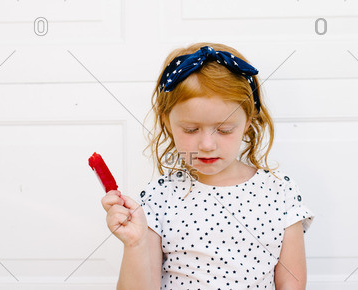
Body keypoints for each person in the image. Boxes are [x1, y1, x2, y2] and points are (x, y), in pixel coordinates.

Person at [101, 43, 315, 289]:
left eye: (224, 130)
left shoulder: (280, 192)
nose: (207, 144)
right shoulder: (158, 197)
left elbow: (292, 283)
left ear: (248, 121)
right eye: (191, 129)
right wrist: (134, 244)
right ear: (167, 122)